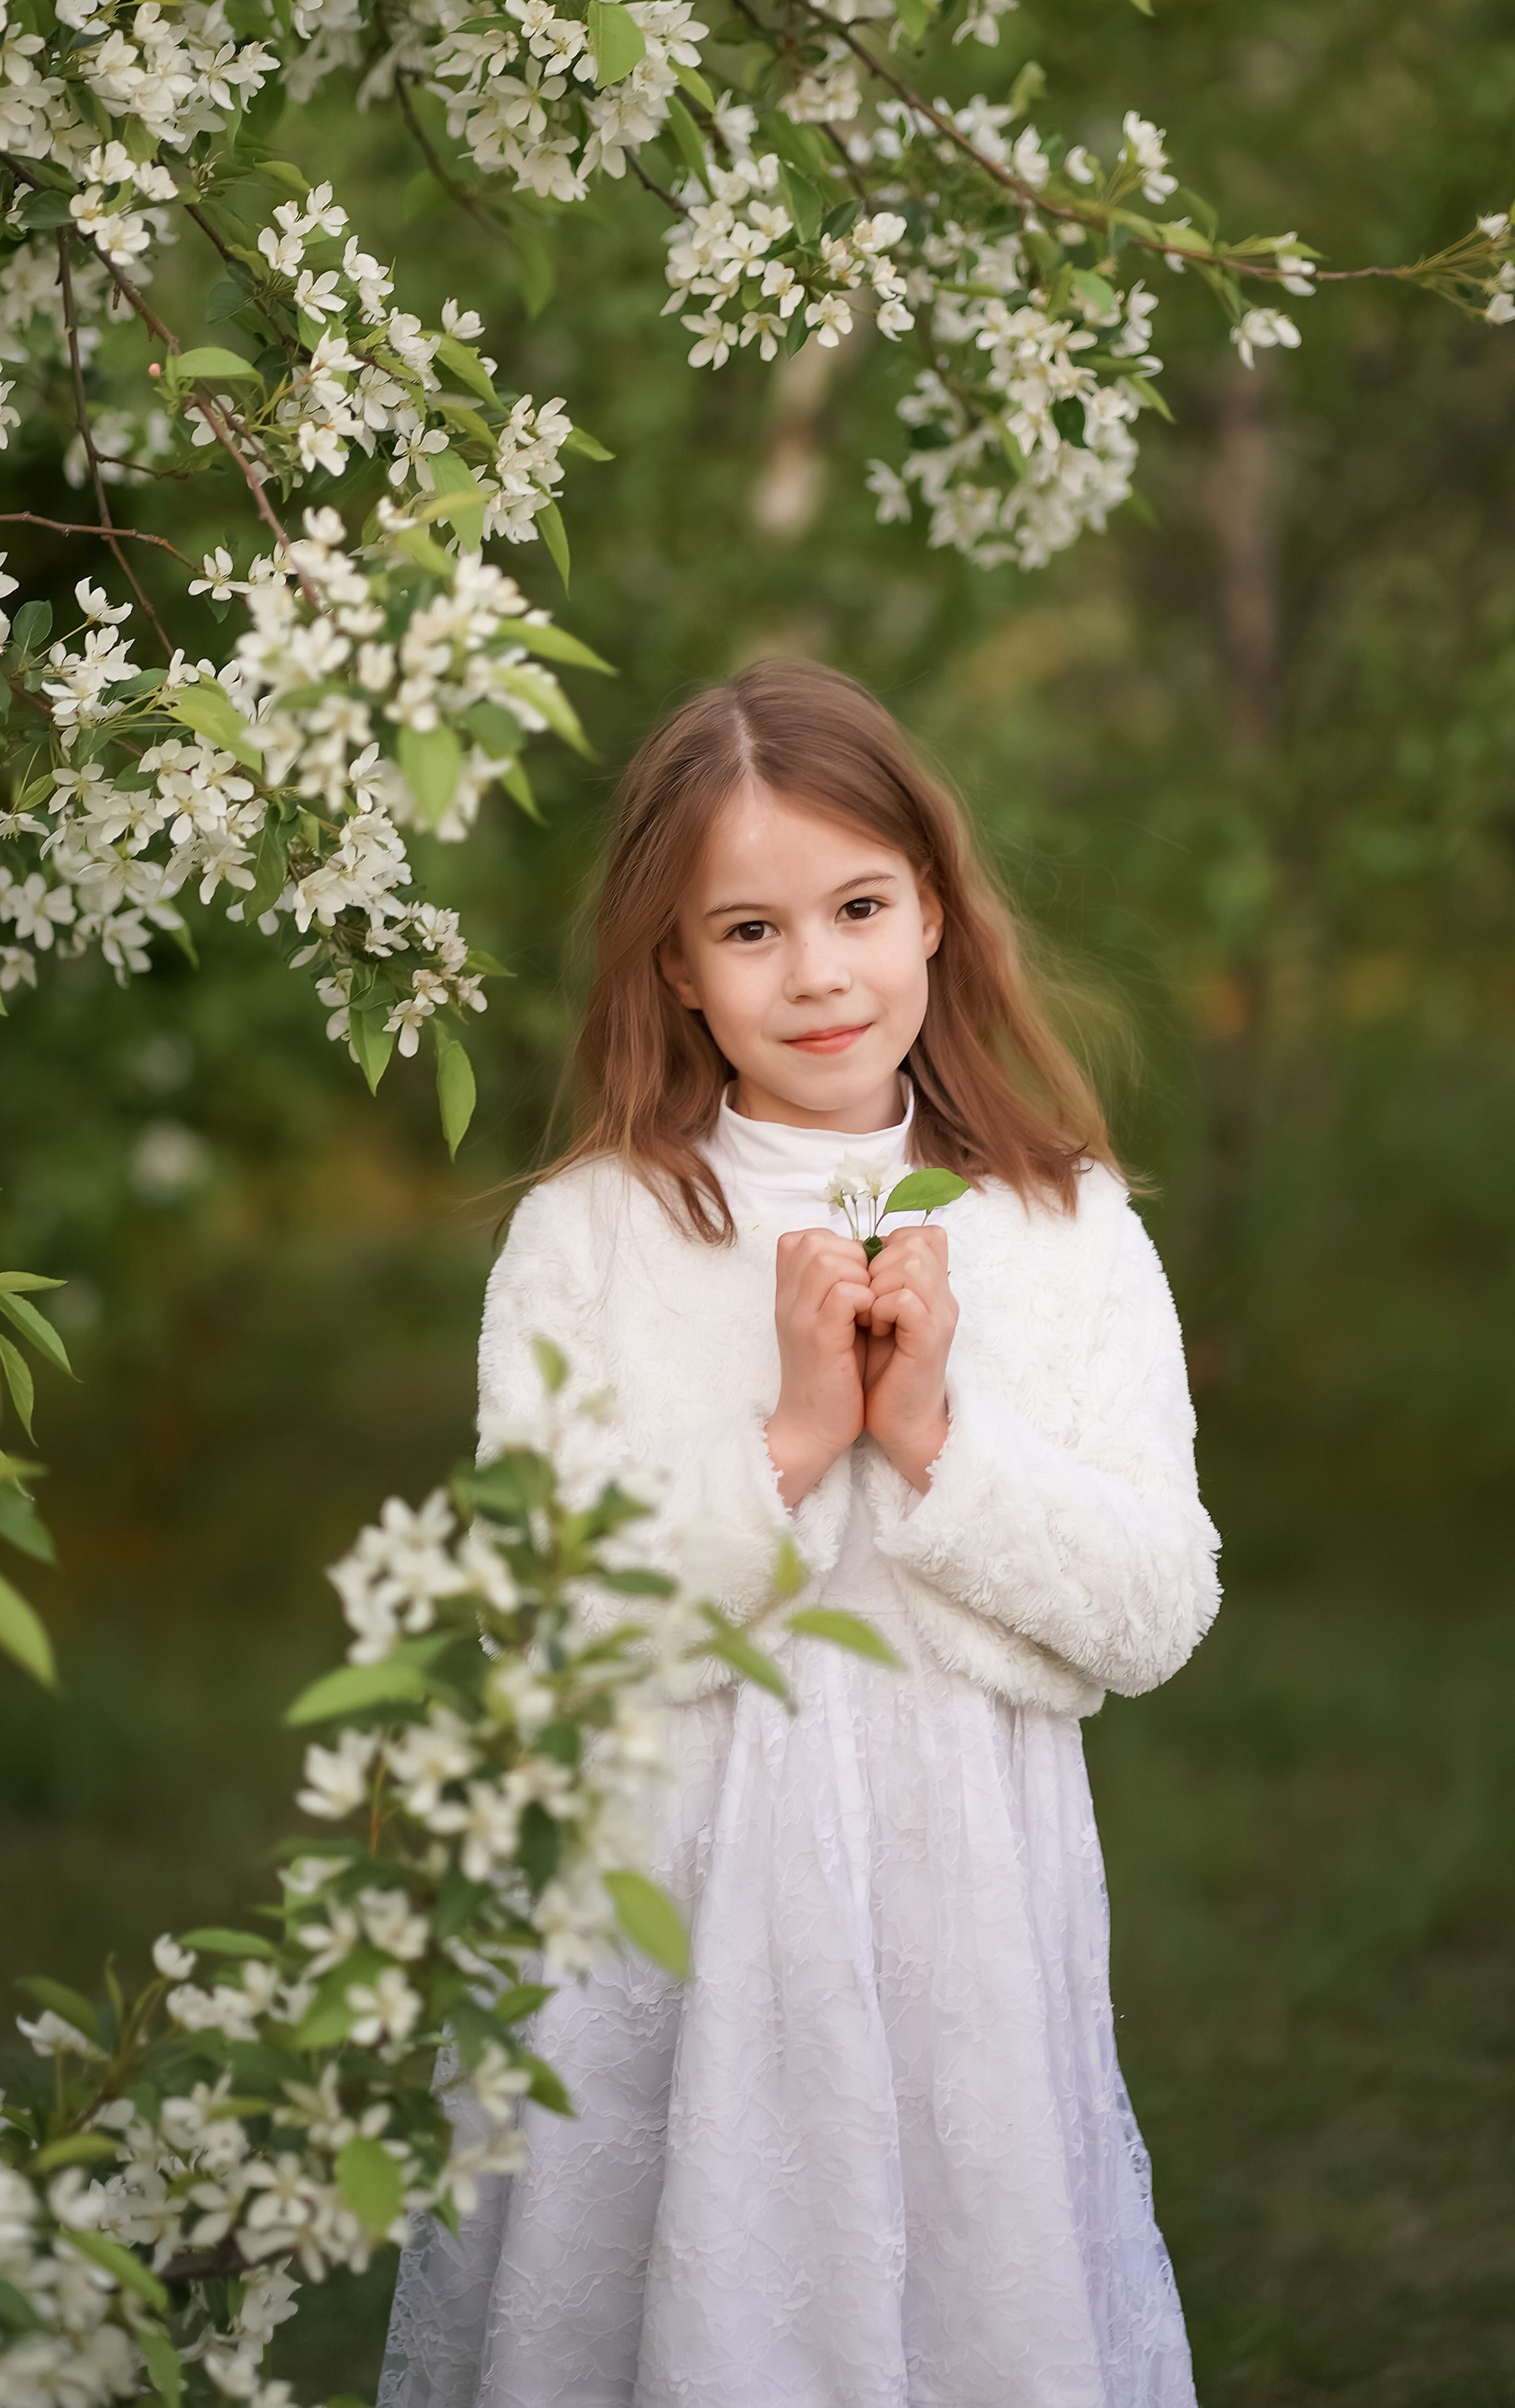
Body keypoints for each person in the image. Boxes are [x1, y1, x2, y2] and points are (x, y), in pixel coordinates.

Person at [380, 660, 1220, 2408]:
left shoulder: (1062, 1230)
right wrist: (783, 1441)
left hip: (960, 1914)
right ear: (674, 965)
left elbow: (1150, 1609)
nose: (817, 972)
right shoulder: (593, 1236)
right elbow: (523, 1625)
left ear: (932, 908)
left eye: (854, 907)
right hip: (668, 1908)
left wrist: (927, 1442)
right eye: (748, 930)